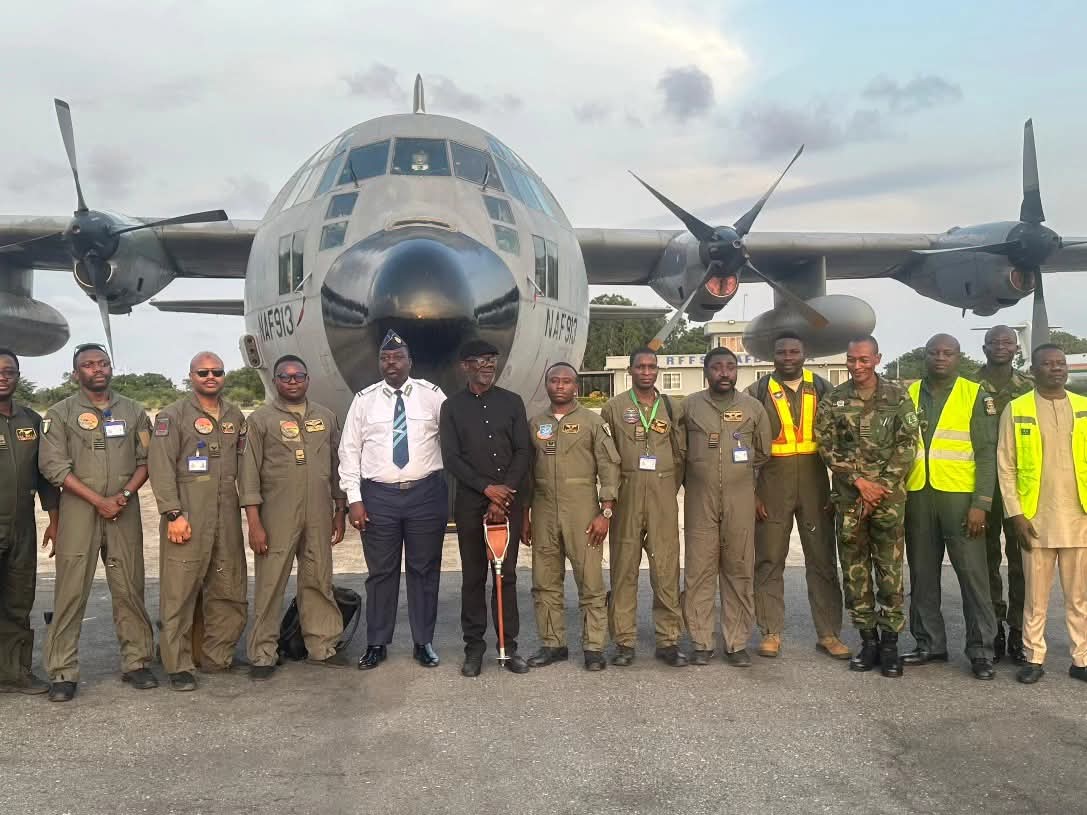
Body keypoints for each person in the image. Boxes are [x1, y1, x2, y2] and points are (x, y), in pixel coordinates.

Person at [38, 343, 156, 702]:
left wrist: (124, 495)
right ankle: (63, 671)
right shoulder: (59, 414)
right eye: (89, 365)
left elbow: (147, 459)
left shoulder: (133, 411)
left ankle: (137, 662)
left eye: (103, 363)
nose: (98, 369)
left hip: (124, 510)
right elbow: (53, 466)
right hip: (79, 511)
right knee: (71, 591)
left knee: (129, 586)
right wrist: (98, 500)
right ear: (76, 374)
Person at [338, 330, 448, 670]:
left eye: (398, 358)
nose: (391, 363)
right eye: (385, 358)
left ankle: (423, 641)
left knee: (424, 570)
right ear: (379, 364)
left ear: (410, 362)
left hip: (425, 493)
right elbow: (349, 450)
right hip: (378, 496)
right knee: (381, 573)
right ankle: (377, 643)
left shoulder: (432, 396)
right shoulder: (364, 400)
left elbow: (454, 439)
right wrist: (354, 499)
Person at [238, 355, 348, 680]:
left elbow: (337, 467)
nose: (292, 381)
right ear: (275, 381)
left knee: (318, 578)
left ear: (307, 379)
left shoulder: (325, 417)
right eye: (285, 377)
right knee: (270, 583)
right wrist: (254, 523)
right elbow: (248, 475)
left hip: (318, 512)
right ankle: (263, 653)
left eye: (298, 375)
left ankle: (322, 646)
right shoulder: (260, 420)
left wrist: (339, 510)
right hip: (276, 514)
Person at [815, 336, 917, 678]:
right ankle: (868, 641)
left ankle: (890, 644)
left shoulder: (898, 396)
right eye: (851, 359)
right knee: (855, 570)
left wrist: (881, 487)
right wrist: (859, 482)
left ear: (877, 359)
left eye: (863, 359)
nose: (857, 366)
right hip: (850, 498)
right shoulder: (834, 399)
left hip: (888, 500)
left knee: (890, 571)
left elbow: (907, 444)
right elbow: (825, 445)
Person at [147, 352, 247, 692]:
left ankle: (217, 656)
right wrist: (172, 514)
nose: (211, 377)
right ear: (191, 376)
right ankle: (177, 663)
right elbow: (160, 467)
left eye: (217, 371)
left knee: (228, 586)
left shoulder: (234, 415)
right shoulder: (172, 416)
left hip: (226, 515)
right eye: (203, 372)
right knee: (180, 592)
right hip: (188, 515)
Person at [902, 334, 999, 680]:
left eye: (948, 353)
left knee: (973, 576)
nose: (940, 358)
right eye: (934, 352)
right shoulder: (909, 394)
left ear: (959, 357)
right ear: (925, 356)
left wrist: (981, 504)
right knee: (922, 574)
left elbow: (987, 454)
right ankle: (929, 643)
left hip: (961, 499)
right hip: (918, 495)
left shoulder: (975, 395)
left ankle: (982, 650)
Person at [746, 332, 847, 660]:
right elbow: (743, 444)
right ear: (772, 356)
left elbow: (841, 439)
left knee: (822, 558)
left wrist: (837, 488)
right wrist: (753, 493)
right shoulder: (757, 391)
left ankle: (829, 633)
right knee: (769, 558)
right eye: (781, 352)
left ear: (805, 354)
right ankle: (770, 631)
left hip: (815, 482)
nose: (788, 357)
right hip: (772, 483)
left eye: (794, 351)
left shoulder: (823, 389)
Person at [439, 339, 533, 676]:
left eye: (492, 359)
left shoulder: (512, 402)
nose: (488, 366)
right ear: (465, 366)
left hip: (509, 502)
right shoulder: (452, 407)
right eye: (480, 360)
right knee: (474, 577)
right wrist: (486, 489)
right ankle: (474, 649)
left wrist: (503, 495)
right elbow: (451, 458)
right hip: (470, 503)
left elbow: (523, 451)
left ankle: (509, 648)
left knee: (506, 576)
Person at [996, 345, 1087, 685]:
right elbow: (1006, 466)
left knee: (1079, 597)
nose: (1056, 368)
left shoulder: (1083, 407)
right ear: (1033, 370)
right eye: (1047, 364)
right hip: (1035, 519)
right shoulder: (1017, 409)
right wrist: (1016, 514)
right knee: (1035, 597)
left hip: (1079, 517)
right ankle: (1033, 657)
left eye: (1060, 363)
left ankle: (1081, 659)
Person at [523, 362, 620, 672]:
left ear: (576, 386)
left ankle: (594, 647)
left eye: (566, 381)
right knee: (544, 581)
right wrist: (525, 515)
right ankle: (553, 643)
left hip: (583, 511)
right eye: (555, 381)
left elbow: (609, 468)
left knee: (590, 580)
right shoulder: (535, 424)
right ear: (547, 385)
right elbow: (526, 473)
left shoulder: (593, 422)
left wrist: (605, 512)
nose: (560, 386)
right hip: (543, 510)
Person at [682, 348, 771, 666]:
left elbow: (763, 450)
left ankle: (736, 643)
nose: (724, 372)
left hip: (740, 498)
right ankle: (701, 641)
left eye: (730, 367)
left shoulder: (753, 408)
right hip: (700, 500)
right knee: (699, 570)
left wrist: (740, 477)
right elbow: (679, 450)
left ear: (737, 371)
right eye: (717, 367)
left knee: (739, 569)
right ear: (706, 372)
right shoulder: (689, 406)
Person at [600, 347, 687, 667]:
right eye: (641, 367)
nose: (646, 372)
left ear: (658, 370)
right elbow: (606, 456)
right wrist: (610, 495)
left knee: (666, 570)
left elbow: (681, 454)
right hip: (627, 495)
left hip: (663, 497)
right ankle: (624, 641)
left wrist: (667, 486)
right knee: (624, 570)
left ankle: (668, 640)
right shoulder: (614, 407)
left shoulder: (672, 407)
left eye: (652, 367)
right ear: (630, 371)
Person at [0, 348, 58, 695]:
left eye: (9, 371)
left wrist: (54, 519)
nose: (2, 376)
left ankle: (14, 673)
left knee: (18, 599)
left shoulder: (32, 420)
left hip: (22, 526)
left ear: (18, 377)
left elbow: (46, 475)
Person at [976, 325, 1034, 662]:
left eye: (1007, 342)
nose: (1001, 346)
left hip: (1020, 486)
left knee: (1021, 561)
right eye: (994, 342)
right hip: (982, 484)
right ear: (984, 348)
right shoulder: (970, 386)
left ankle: (1018, 629)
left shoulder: (1029, 386)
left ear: (1016, 349)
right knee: (986, 560)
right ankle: (993, 627)